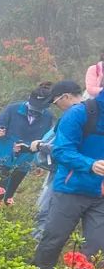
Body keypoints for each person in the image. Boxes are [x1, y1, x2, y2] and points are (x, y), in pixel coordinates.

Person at [32, 90, 104, 269]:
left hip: (101, 194)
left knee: (97, 246)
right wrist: (90, 164)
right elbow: (61, 151)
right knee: (54, 238)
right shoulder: (79, 113)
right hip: (70, 188)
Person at [31, 81, 83, 240]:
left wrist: (41, 146)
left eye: (56, 102)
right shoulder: (90, 113)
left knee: (45, 213)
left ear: (65, 97)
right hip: (70, 172)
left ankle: (39, 252)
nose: (56, 106)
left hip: (65, 173)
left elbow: (64, 149)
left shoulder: (74, 116)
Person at [0, 84, 55, 200]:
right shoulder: (12, 109)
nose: (36, 109)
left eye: (40, 107)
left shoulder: (48, 117)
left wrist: (38, 161)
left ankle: (4, 216)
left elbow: (44, 140)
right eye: (34, 105)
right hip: (1, 159)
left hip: (23, 163)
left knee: (8, 196)